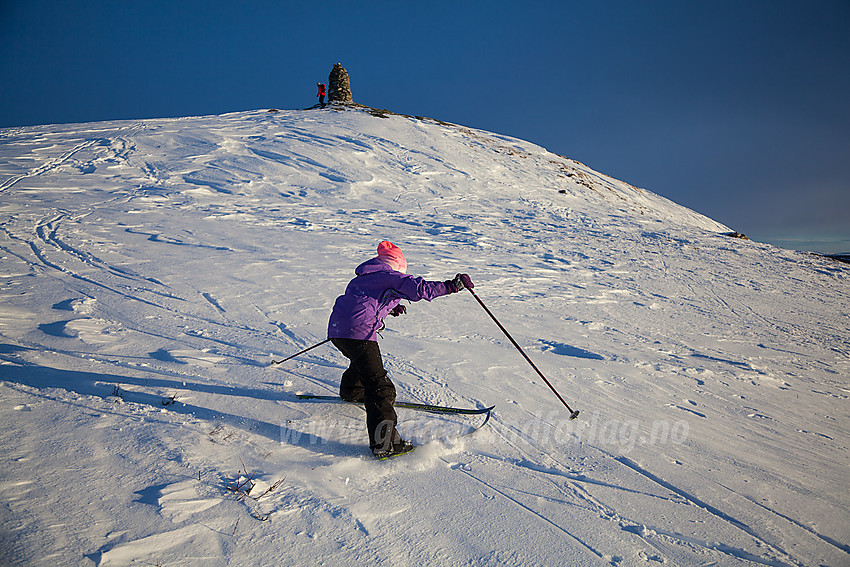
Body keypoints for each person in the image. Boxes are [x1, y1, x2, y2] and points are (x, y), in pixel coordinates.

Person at [328, 241, 473, 458]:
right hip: (359, 333)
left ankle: (351, 391)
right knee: (380, 387)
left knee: (360, 362)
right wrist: (453, 286)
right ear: (397, 265)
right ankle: (384, 444)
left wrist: (391, 306)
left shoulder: (363, 277)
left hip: (337, 331)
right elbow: (420, 289)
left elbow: (365, 299)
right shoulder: (392, 276)